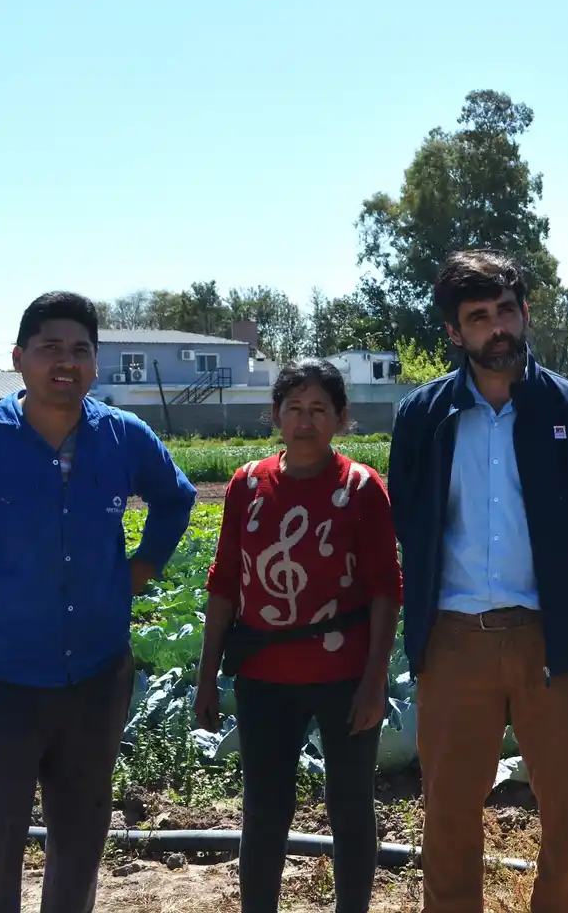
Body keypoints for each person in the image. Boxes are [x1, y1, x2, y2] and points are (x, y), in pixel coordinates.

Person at [0, 291, 196, 913]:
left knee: (80, 840)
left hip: (95, 675)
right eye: (49, 349)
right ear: (19, 358)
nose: (64, 363)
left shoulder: (123, 438)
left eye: (79, 350)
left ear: (95, 363)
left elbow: (175, 499)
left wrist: (144, 564)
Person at [388, 251, 568, 913]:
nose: (497, 328)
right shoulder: (423, 417)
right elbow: (408, 515)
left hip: (554, 642)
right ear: (453, 332)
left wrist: (563, 589)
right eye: (478, 317)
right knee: (449, 818)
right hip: (454, 640)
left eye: (506, 311)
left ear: (524, 313)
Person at [193, 359, 401, 913]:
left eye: (318, 411)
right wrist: (206, 677)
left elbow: (386, 589)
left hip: (344, 677)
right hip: (265, 676)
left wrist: (375, 680)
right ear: (276, 416)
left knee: (351, 805)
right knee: (264, 809)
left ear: (340, 418)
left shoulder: (362, 489)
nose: (305, 423)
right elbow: (224, 584)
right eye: (294, 409)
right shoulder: (247, 485)